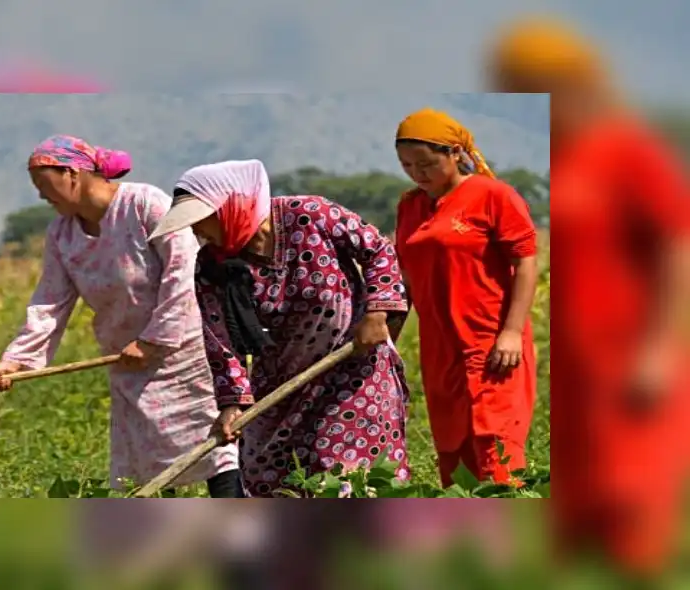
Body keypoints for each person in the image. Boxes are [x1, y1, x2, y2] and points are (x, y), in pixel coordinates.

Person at [488, 17, 690, 577]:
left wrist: (657, 348)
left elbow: (676, 246)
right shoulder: (561, 156)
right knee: (572, 531)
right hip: (579, 372)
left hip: (631, 367)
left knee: (631, 518)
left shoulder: (627, 152)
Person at [0, 134, 243, 497]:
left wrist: (153, 341)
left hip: (188, 355)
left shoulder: (144, 204)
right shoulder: (62, 234)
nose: (42, 196)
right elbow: (50, 301)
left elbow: (183, 272)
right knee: (144, 469)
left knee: (219, 447)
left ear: (72, 173)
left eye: (45, 184)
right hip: (129, 363)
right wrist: (16, 361)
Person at [148, 159, 411, 498]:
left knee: (343, 477)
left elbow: (377, 249)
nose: (198, 232)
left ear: (231, 206)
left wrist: (378, 312)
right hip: (279, 384)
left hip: (353, 371)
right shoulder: (213, 266)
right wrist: (232, 403)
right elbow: (220, 342)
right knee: (266, 476)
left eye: (202, 220)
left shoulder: (310, 215)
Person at [392, 108, 540, 489]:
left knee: (498, 452)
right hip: (441, 348)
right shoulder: (409, 206)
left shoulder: (493, 196)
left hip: (491, 344)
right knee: (455, 454)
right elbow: (406, 279)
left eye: (425, 163)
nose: (417, 173)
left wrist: (510, 332)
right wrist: (388, 336)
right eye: (407, 165)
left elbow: (525, 263)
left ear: (455, 153)